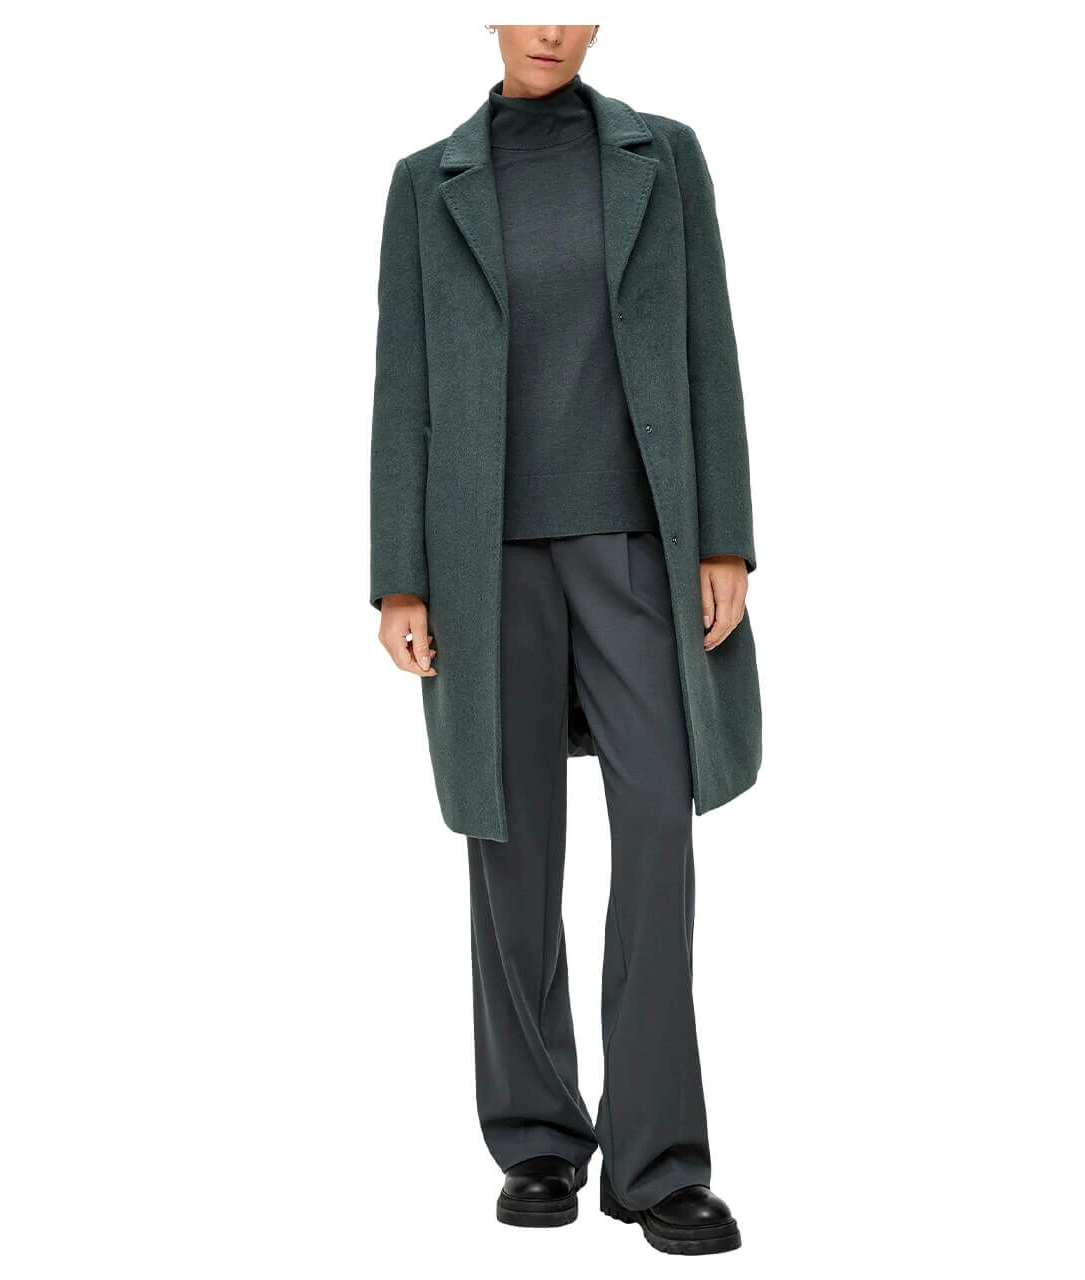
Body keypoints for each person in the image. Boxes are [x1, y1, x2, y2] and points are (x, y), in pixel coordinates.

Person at [369, 24, 760, 1257]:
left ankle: (658, 1159)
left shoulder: (663, 158)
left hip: (637, 543)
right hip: (480, 558)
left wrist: (724, 537)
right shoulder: (425, 184)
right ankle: (538, 1137)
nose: (550, 27)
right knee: (510, 842)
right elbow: (402, 385)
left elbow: (707, 347)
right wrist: (399, 577)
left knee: (655, 830)